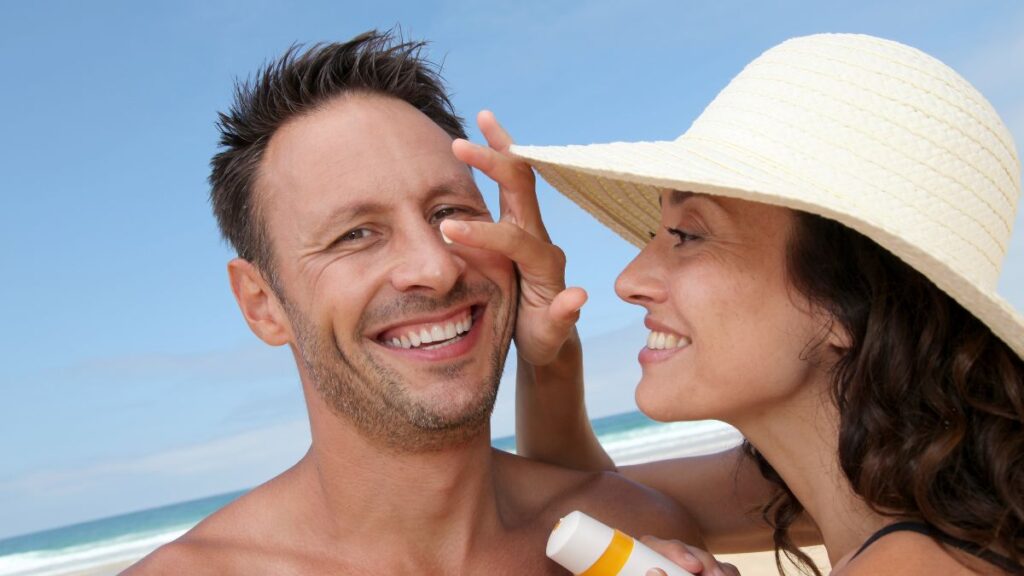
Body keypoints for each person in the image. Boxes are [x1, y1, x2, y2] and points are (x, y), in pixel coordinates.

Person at [124, 30, 784, 575]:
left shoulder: (637, 534)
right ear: (262, 304)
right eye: (356, 234)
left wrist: (549, 355)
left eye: (450, 213)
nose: (435, 268)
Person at [508, 33, 1024, 575]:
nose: (628, 279)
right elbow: (583, 503)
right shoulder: (883, 487)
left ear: (843, 303)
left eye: (687, 234)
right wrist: (550, 355)